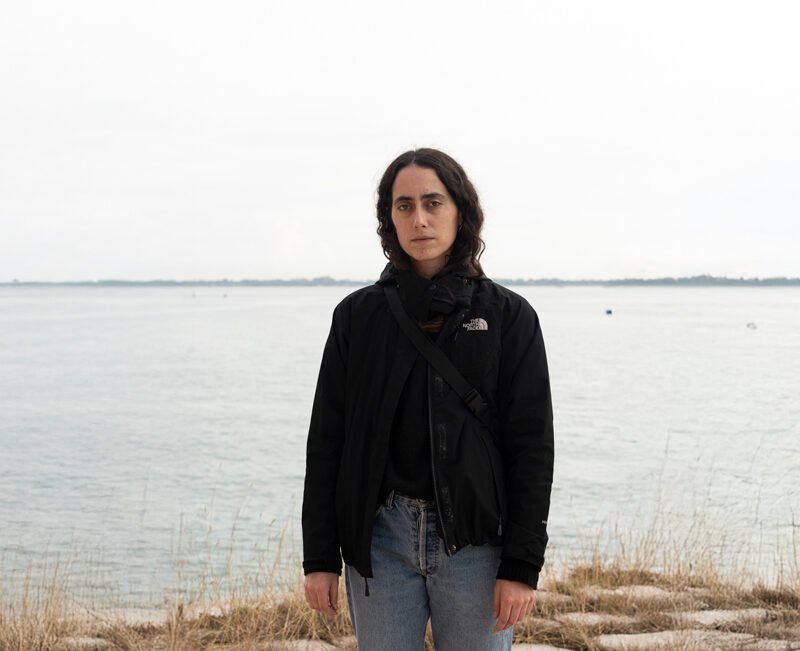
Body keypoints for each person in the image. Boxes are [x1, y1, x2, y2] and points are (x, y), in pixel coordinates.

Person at [302, 148, 554, 650]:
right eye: (404, 205)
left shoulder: (509, 316)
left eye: (433, 203)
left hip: (477, 543)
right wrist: (320, 558)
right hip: (379, 541)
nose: (419, 218)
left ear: (461, 211)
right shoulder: (357, 317)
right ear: (389, 218)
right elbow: (328, 440)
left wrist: (522, 565)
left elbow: (532, 447)